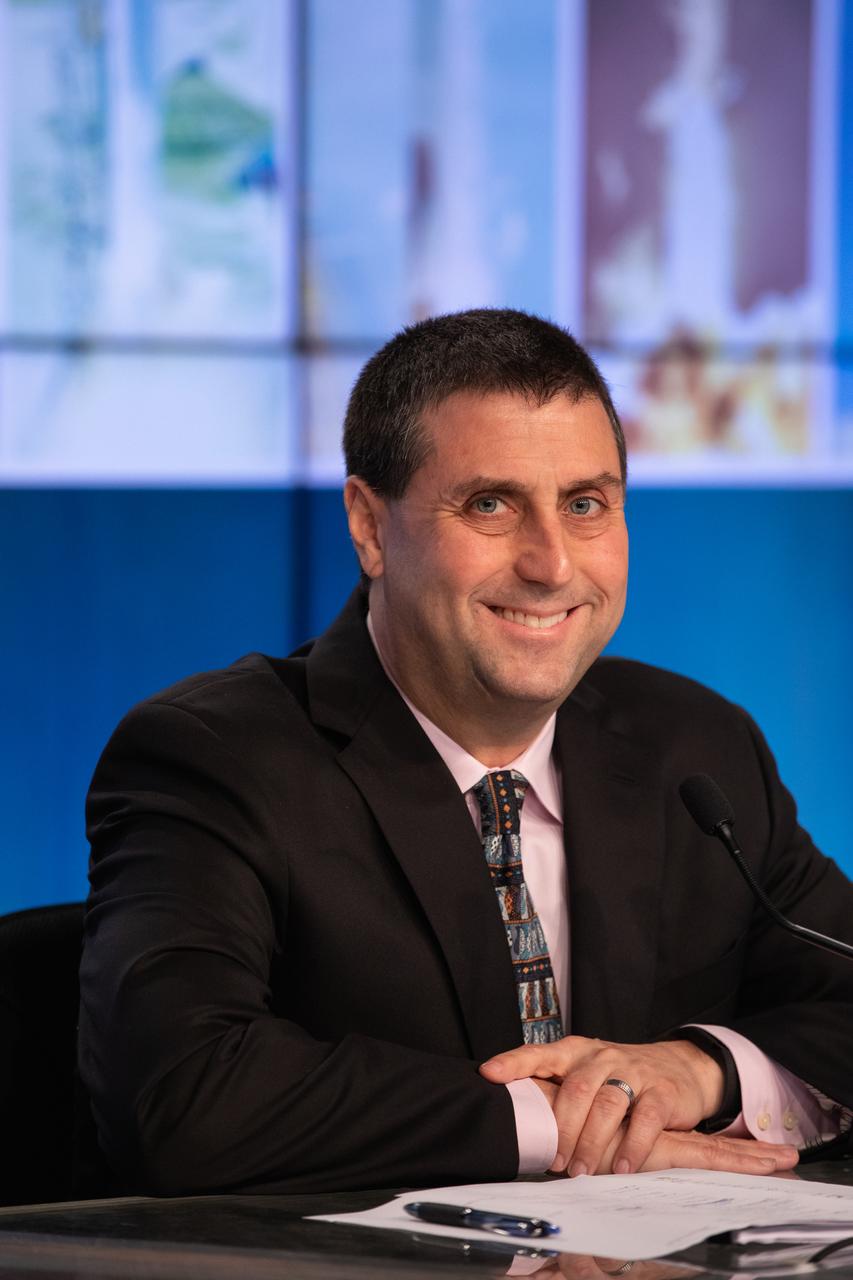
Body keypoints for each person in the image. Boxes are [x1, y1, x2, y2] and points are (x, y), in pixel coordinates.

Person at [79, 309, 853, 1196]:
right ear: (369, 527)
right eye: (490, 505)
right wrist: (560, 1125)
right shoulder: (214, 757)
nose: (552, 563)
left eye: (585, 505)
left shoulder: (695, 746)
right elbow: (180, 1097)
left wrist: (699, 1070)